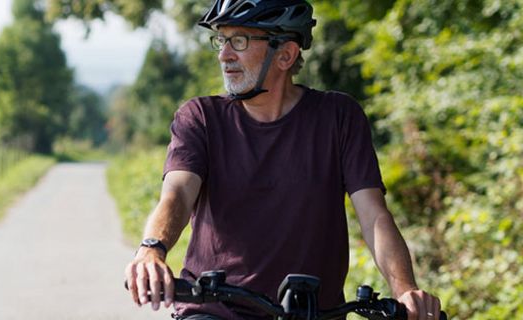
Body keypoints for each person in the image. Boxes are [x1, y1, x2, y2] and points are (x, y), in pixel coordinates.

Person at [125, 0, 442, 319]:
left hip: (312, 313)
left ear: (286, 54)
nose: (224, 55)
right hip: (216, 311)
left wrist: (404, 291)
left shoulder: (338, 117)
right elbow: (177, 193)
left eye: (240, 40)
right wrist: (153, 247)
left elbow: (374, 216)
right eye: (222, 40)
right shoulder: (201, 118)